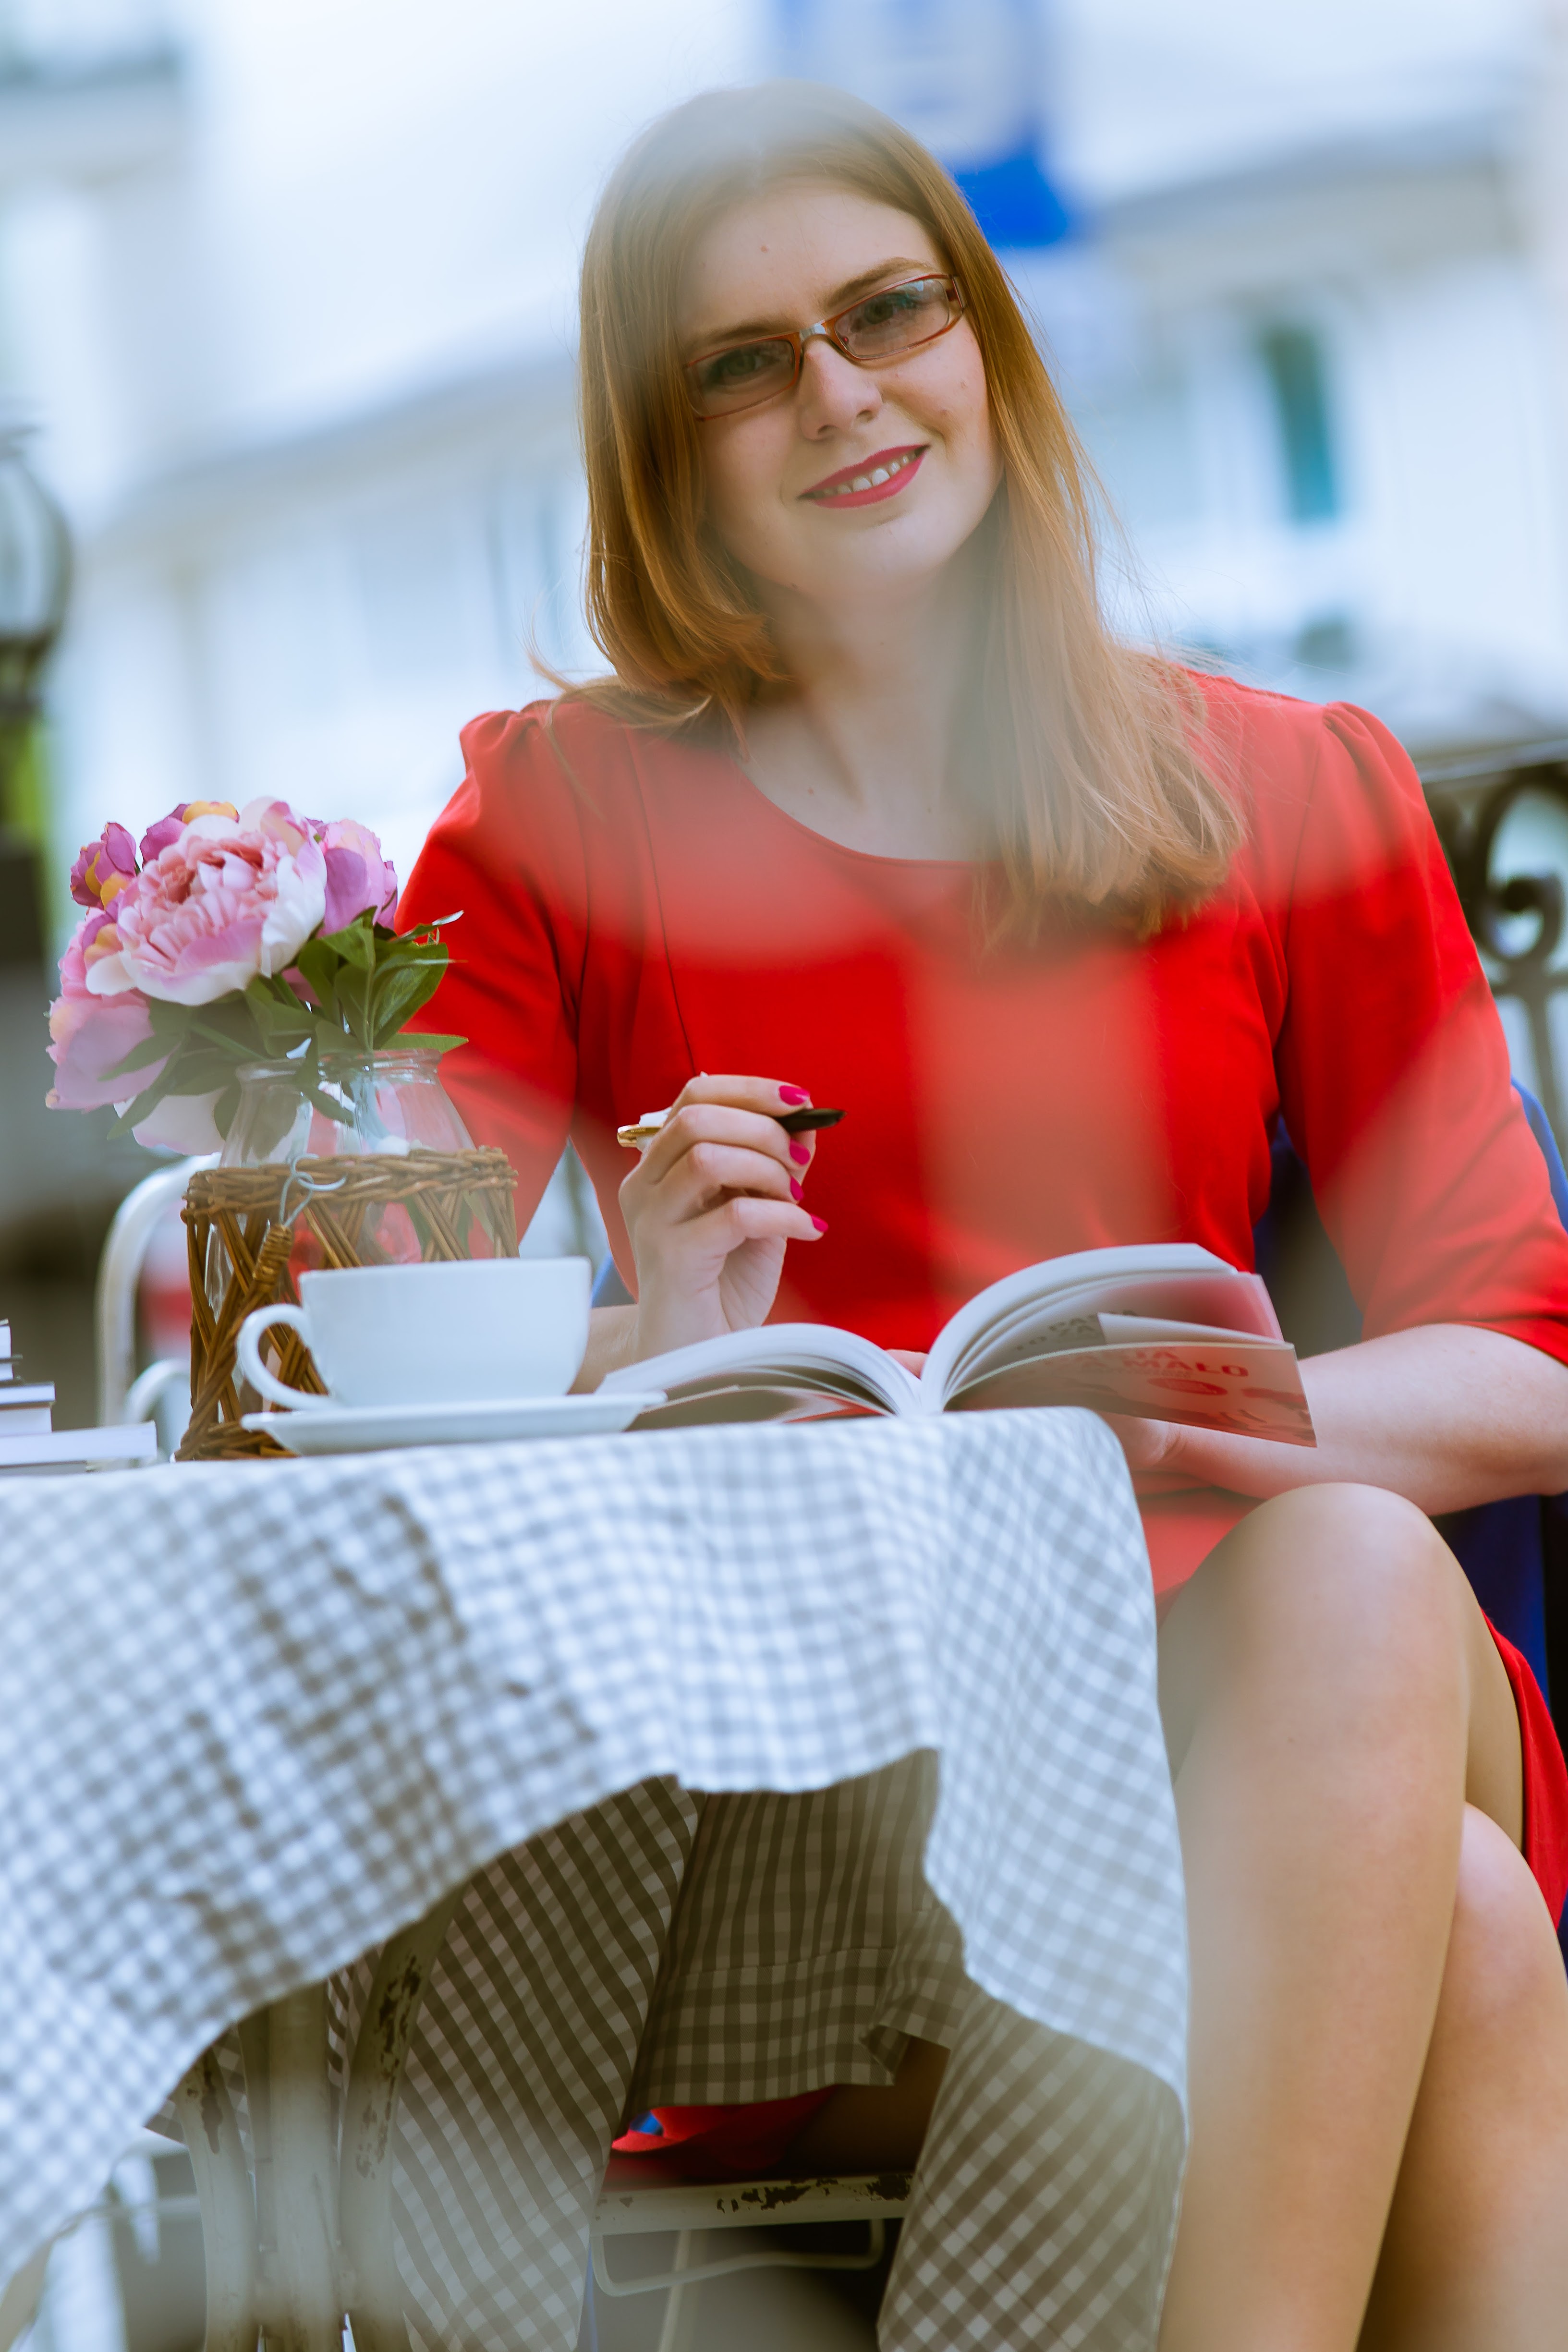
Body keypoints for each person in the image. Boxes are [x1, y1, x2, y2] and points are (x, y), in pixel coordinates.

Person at [400, 80, 1568, 2351]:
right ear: (662, 449)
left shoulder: (1289, 788)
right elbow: (363, 1368)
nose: (839, 394)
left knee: (1341, 1562)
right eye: (743, 364)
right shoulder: (555, 819)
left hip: (1270, 1663)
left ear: (982, 342)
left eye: (885, 312)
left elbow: (1527, 1354)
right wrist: (648, 1339)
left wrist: (1206, 1417)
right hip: (826, 1783)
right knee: (1468, 1932)